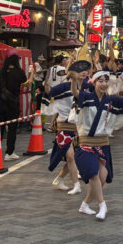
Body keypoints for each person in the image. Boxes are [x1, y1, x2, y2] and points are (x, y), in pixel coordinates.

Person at [74, 68, 123, 220]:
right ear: (94, 83)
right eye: (100, 81)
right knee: (94, 174)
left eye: (106, 81)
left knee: (102, 177)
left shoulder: (111, 100)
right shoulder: (87, 97)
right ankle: (102, 204)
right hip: (86, 144)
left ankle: (85, 204)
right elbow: (76, 93)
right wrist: (75, 78)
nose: (103, 84)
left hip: (103, 144)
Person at [40, 60, 86, 194]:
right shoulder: (63, 86)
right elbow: (50, 93)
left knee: (75, 157)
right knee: (70, 156)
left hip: (79, 127)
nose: (83, 73)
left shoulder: (88, 87)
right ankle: (76, 185)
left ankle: (59, 178)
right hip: (64, 125)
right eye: (80, 70)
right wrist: (46, 86)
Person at [0, 53, 27, 160]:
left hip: (1, 103)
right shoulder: (19, 72)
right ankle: (9, 153)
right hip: (13, 103)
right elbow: (27, 84)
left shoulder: (1, 71)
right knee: (12, 129)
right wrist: (32, 73)